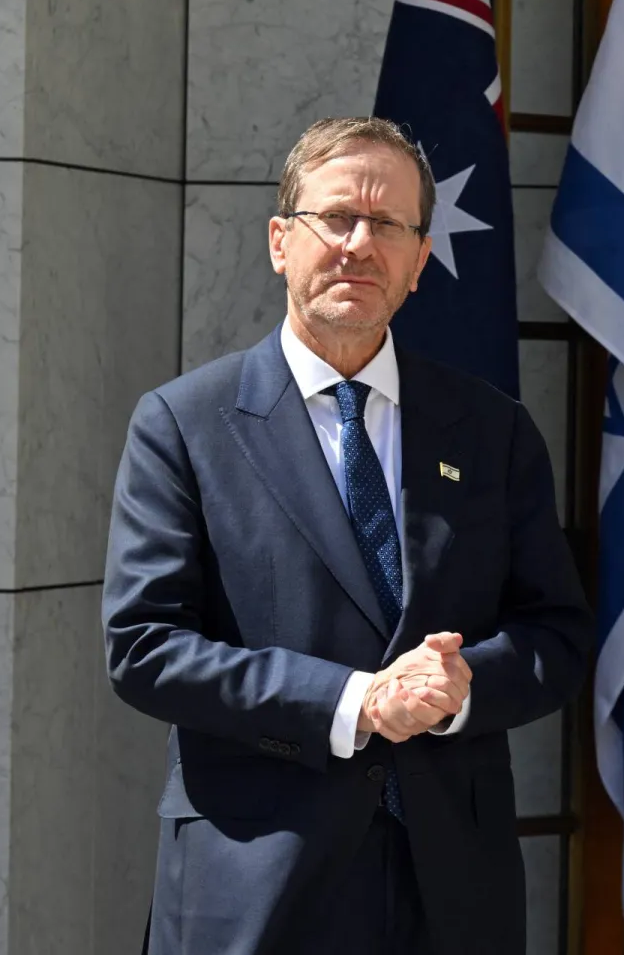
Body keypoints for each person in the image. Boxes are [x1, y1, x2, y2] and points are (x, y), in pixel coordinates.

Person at [103, 116, 591, 955]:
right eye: (336, 218)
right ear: (280, 241)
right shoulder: (183, 423)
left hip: (451, 887)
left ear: (418, 263)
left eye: (389, 226)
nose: (360, 245)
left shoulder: (492, 430)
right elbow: (145, 647)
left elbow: (558, 632)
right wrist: (353, 702)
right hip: (256, 876)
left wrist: (460, 686)